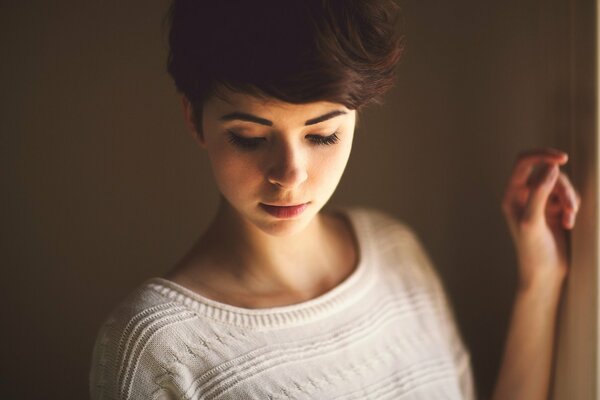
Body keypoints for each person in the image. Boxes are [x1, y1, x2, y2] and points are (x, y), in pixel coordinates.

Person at [89, 1, 581, 399]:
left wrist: (540, 279)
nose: (289, 175)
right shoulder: (157, 351)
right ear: (193, 118)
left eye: (322, 135)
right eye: (249, 137)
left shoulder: (395, 251)